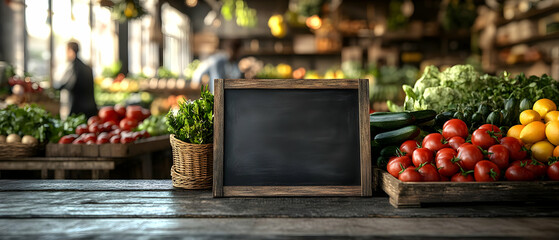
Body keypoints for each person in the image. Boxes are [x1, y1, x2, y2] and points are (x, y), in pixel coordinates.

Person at [55, 41, 97, 118]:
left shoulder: (74, 67)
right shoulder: (86, 67)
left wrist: (55, 88)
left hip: (79, 109)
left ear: (71, 51)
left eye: (66, 51)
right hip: (90, 108)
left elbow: (69, 84)